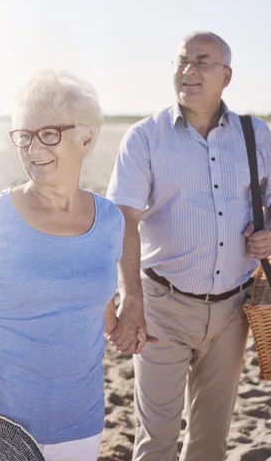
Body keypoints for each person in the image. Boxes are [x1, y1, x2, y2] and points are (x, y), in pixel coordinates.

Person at [0, 69, 126, 461]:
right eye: (24, 136)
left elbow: (98, 300)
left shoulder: (110, 220)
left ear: (86, 138)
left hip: (79, 421)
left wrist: (123, 325)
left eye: (50, 134)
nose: (34, 149)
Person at [106, 31, 271, 461]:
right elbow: (122, 220)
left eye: (202, 61)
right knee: (156, 440)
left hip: (234, 311)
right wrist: (132, 299)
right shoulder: (144, 137)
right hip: (163, 306)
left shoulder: (257, 135)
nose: (189, 70)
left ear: (227, 76)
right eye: (182, 61)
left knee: (210, 442)